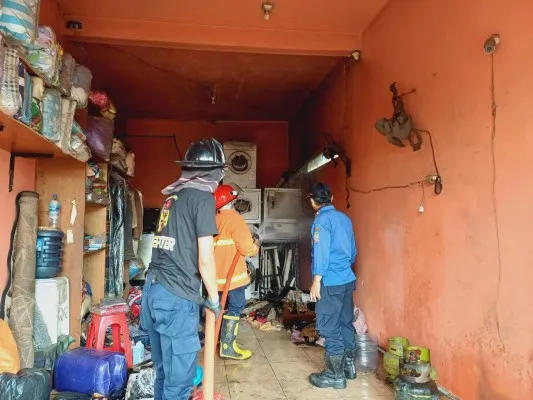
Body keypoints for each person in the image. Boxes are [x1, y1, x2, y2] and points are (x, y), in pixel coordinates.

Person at [140, 138, 225, 400]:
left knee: (163, 375)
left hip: (153, 291)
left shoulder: (172, 198)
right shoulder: (202, 199)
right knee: (178, 384)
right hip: (176, 298)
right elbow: (205, 258)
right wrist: (213, 298)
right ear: (213, 172)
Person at [306, 182, 357, 389]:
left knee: (328, 324)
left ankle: (335, 375)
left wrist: (317, 280)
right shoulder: (345, 219)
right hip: (347, 279)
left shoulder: (321, 222)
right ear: (332, 199)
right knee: (345, 321)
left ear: (312, 201)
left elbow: (321, 251)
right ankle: (348, 367)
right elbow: (353, 251)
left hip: (330, 281)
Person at [213, 183, 261, 360]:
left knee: (220, 307)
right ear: (232, 201)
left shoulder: (214, 219)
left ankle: (218, 340)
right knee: (236, 306)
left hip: (216, 279)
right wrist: (256, 245)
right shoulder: (234, 218)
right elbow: (247, 249)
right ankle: (228, 346)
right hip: (233, 279)